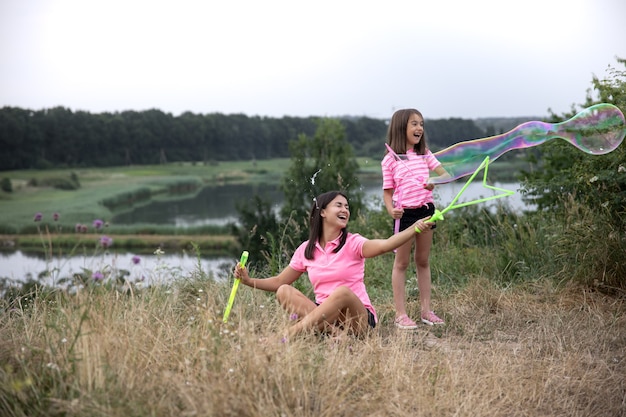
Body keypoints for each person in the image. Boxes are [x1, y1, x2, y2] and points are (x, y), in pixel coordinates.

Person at [233, 190, 433, 339]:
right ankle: (336, 335)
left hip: (357, 318)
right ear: (322, 212)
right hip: (326, 316)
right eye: (339, 205)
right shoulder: (306, 249)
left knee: (342, 292)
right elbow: (278, 282)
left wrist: (414, 229)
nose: (345, 209)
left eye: (347, 207)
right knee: (284, 290)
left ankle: (290, 334)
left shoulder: (353, 243)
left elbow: (386, 245)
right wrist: (248, 281)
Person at [381, 108, 449, 329]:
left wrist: (434, 181)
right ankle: (400, 314)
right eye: (414, 124)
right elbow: (387, 192)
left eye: (421, 124)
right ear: (401, 127)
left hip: (426, 211)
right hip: (405, 215)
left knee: (423, 260)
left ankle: (426, 311)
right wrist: (391, 210)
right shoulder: (390, 160)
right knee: (401, 263)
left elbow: (445, 175)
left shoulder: (424, 154)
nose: (419, 128)